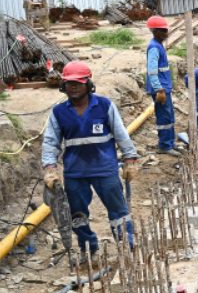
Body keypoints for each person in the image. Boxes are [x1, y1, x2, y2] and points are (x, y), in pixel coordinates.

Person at [42, 61, 139, 256]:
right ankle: (88, 248)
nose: (73, 87)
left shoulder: (104, 106)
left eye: (78, 83)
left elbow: (121, 134)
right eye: (69, 83)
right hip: (75, 173)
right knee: (78, 215)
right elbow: (50, 142)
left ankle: (126, 245)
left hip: (105, 169)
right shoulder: (58, 113)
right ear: (63, 85)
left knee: (118, 211)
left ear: (88, 84)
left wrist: (130, 159)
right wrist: (50, 168)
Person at [145, 15, 180, 157]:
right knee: (164, 117)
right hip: (160, 88)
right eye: (164, 31)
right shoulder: (154, 47)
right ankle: (164, 145)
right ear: (156, 31)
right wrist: (159, 89)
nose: (167, 34)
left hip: (164, 87)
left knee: (169, 115)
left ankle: (170, 142)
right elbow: (152, 71)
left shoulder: (159, 45)